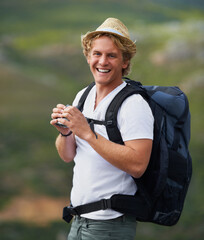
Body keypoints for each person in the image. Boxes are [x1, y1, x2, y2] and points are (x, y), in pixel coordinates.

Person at [50, 18, 154, 240]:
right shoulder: (83, 95)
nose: (102, 61)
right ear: (88, 57)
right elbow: (67, 156)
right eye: (97, 54)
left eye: (111, 55)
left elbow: (138, 165)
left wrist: (87, 132)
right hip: (78, 221)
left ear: (125, 61)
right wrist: (66, 132)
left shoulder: (134, 105)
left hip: (110, 226)